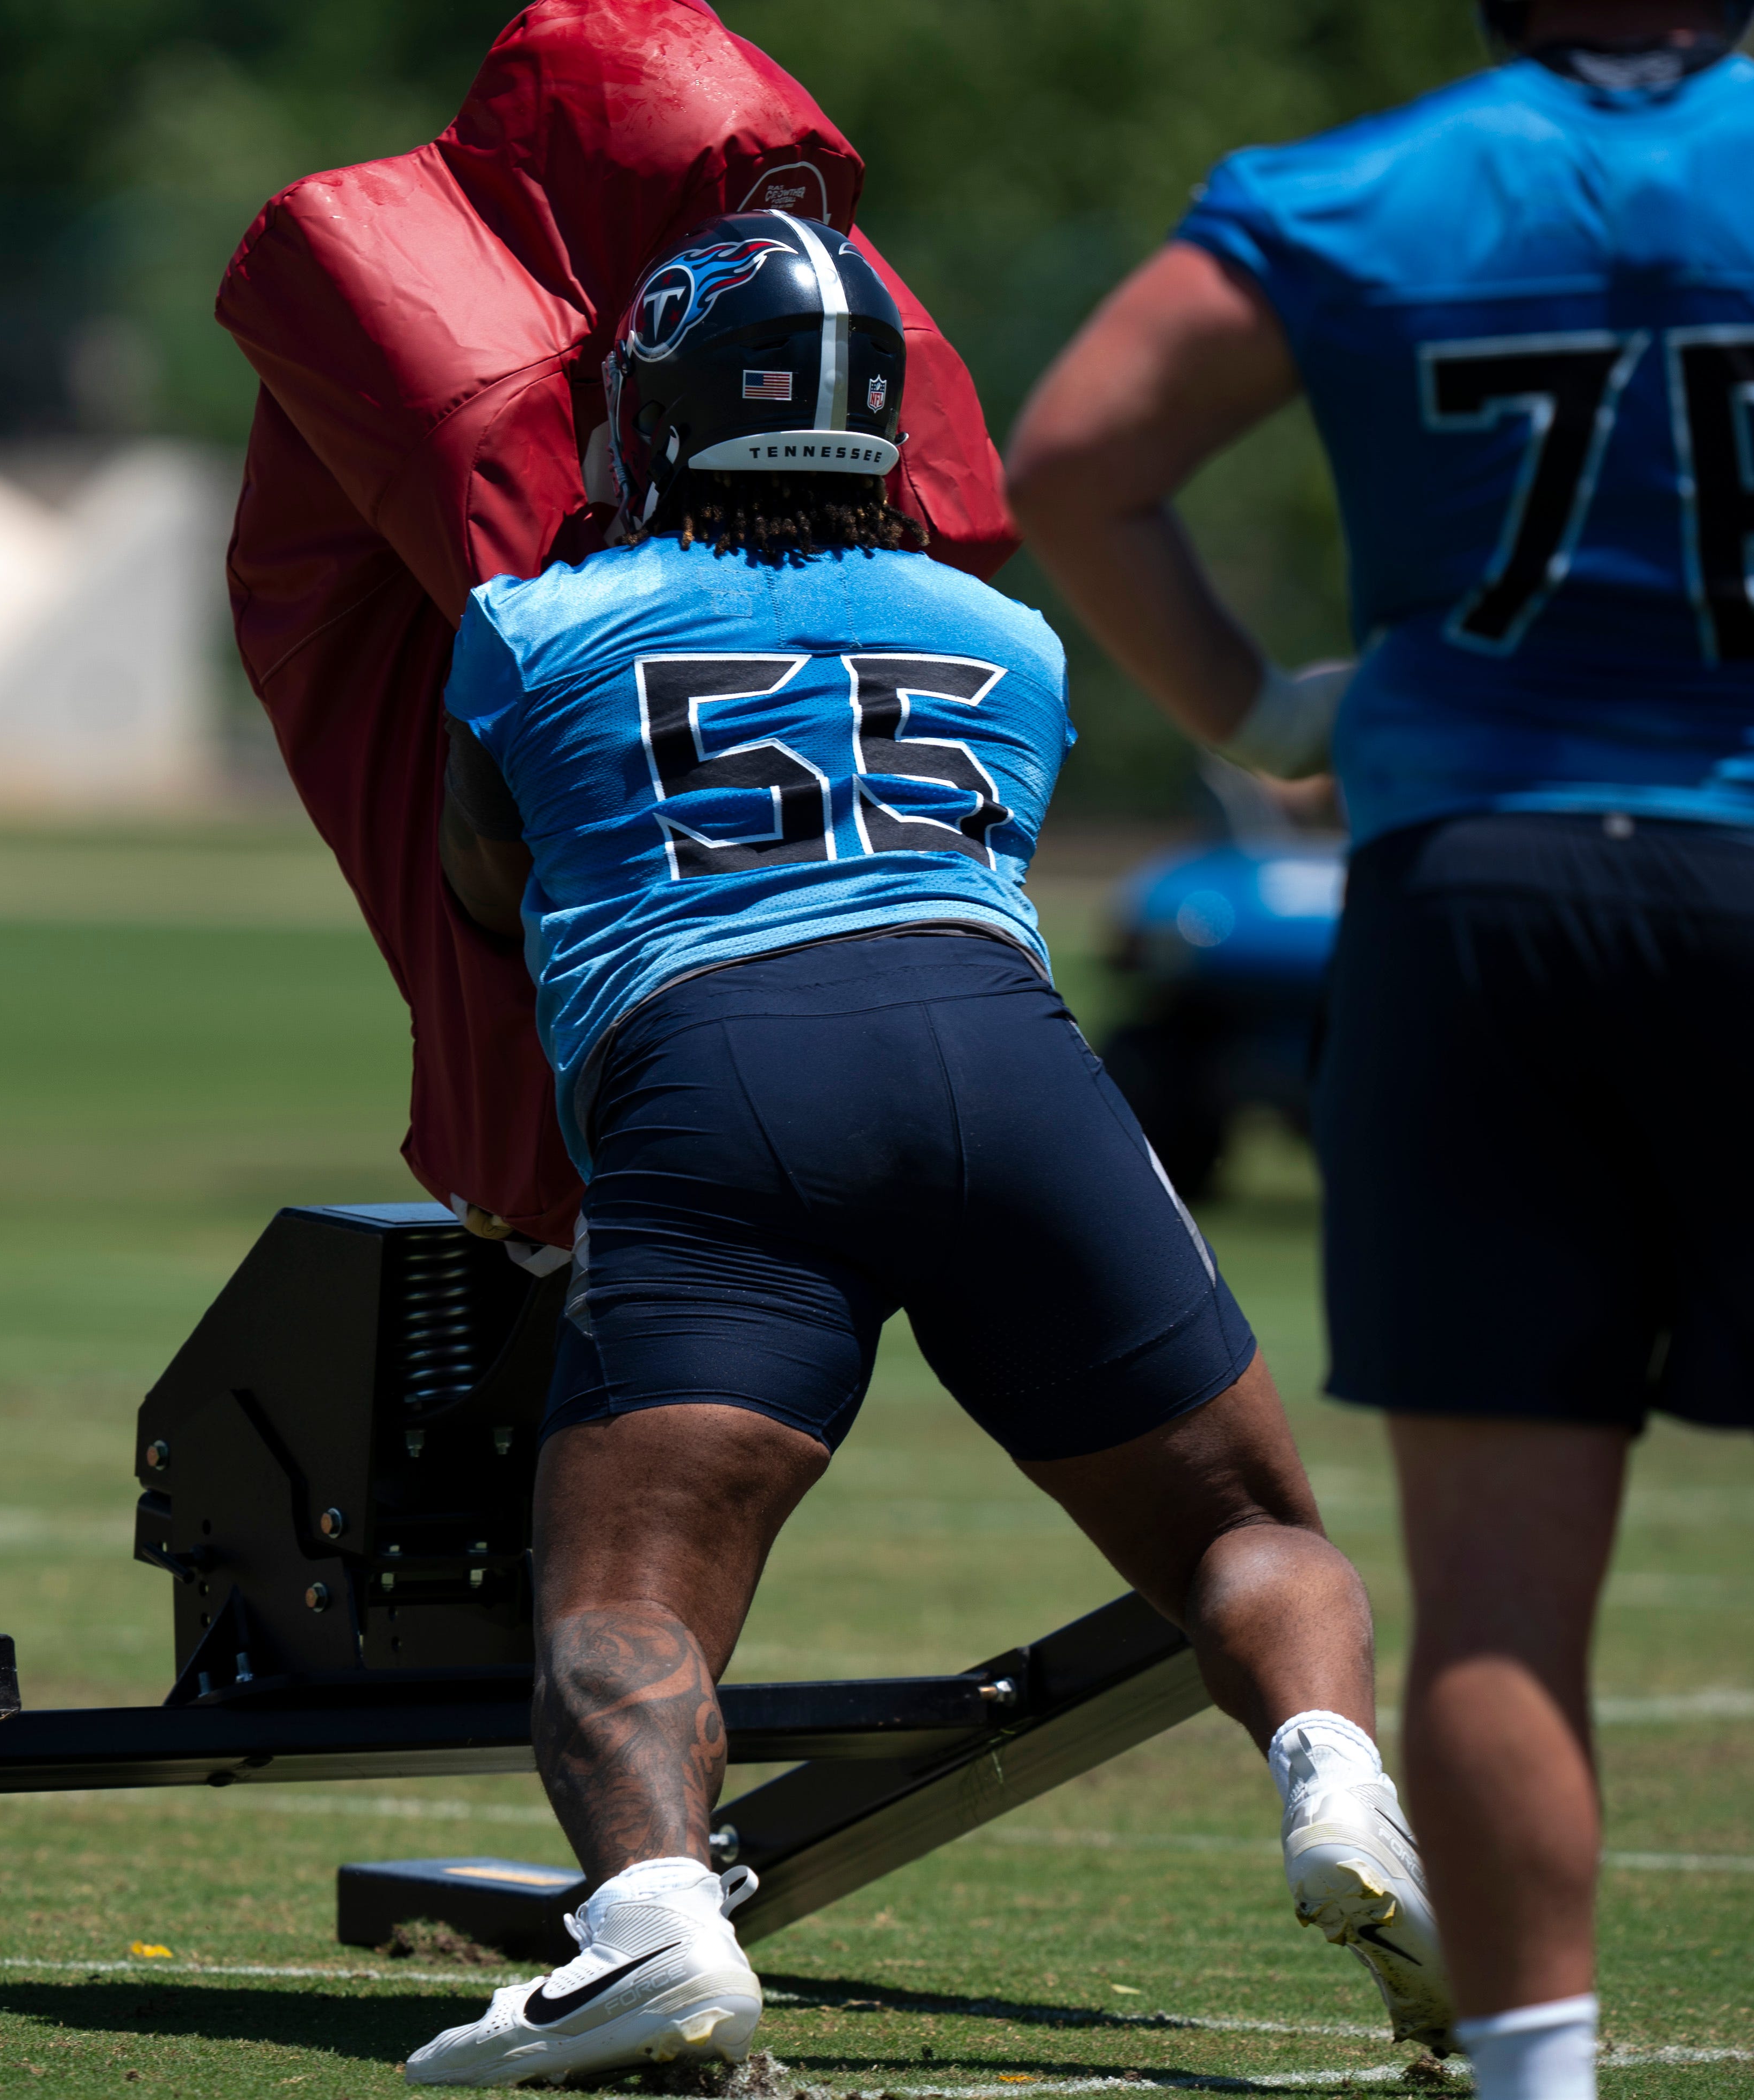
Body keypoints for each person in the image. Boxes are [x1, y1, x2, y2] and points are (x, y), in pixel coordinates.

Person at [1006, 2, 1754, 2096]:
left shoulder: (1355, 189)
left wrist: (1272, 720)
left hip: (1475, 906)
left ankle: (1540, 2081)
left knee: (1502, 1586)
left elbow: (1078, 457)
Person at [400, 209, 1452, 2087]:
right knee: (1246, 1525)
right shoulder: (1010, 635)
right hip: (1009, 1071)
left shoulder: (533, 626)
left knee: (626, 1604)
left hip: (720, 1080)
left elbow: (488, 889)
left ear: (660, 413)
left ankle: (654, 1927)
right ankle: (1344, 1790)